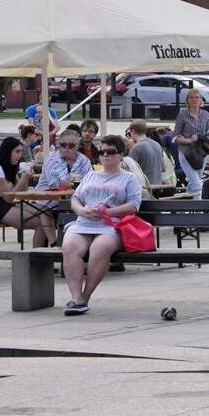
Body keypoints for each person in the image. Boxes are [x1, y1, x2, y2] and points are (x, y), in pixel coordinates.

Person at [61, 134, 143, 316]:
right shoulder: (90, 175)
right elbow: (75, 199)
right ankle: (76, 298)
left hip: (111, 226)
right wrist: (82, 211)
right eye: (102, 151)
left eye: (110, 151)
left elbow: (134, 205)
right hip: (83, 223)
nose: (105, 155)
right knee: (70, 247)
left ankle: (84, 297)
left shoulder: (128, 178)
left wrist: (107, 212)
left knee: (99, 249)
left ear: (121, 155)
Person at [0, 138, 56, 250]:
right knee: (40, 224)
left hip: (5, 203)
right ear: (7, 152)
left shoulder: (10, 167)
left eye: (21, 152)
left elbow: (22, 192)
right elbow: (8, 198)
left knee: (44, 209)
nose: (20, 155)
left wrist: (25, 176)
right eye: (17, 152)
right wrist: (23, 179)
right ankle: (38, 256)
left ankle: (54, 244)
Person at [172, 88, 209, 199]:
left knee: (195, 182)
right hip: (186, 152)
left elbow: (207, 132)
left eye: (197, 97)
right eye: (191, 97)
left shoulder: (205, 114)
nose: (194, 100)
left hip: (201, 152)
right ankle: (198, 209)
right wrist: (189, 140)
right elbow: (175, 136)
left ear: (201, 100)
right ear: (187, 100)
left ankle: (185, 206)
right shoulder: (182, 115)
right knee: (197, 184)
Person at [128, 119, 165, 185]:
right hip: (158, 185)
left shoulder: (136, 148)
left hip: (144, 186)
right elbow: (163, 168)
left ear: (133, 131)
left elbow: (130, 170)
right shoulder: (157, 145)